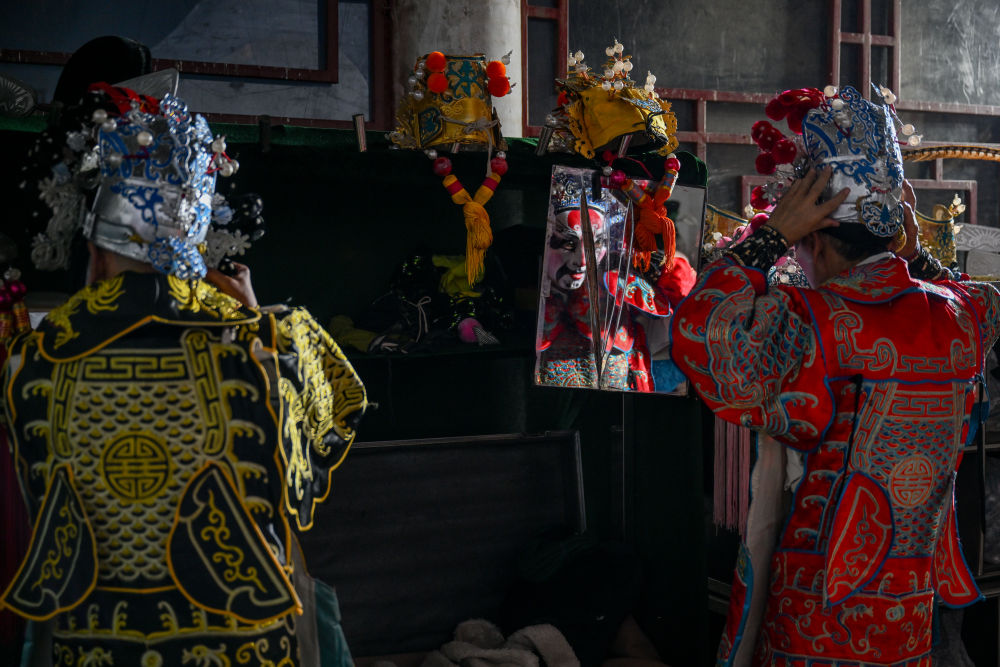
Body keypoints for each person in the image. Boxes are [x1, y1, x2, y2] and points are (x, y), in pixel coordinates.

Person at [1, 84, 366, 666]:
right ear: (196, 245)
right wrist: (257, 317)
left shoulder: (32, 358)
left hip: (95, 641)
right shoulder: (272, 344)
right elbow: (327, 434)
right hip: (250, 640)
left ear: (94, 253)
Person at [670, 86, 999, 665]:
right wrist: (916, 256)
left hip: (819, 604)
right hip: (908, 611)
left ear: (814, 241)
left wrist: (770, 236)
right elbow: (980, 297)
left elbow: (705, 332)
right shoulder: (961, 317)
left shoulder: (813, 319)